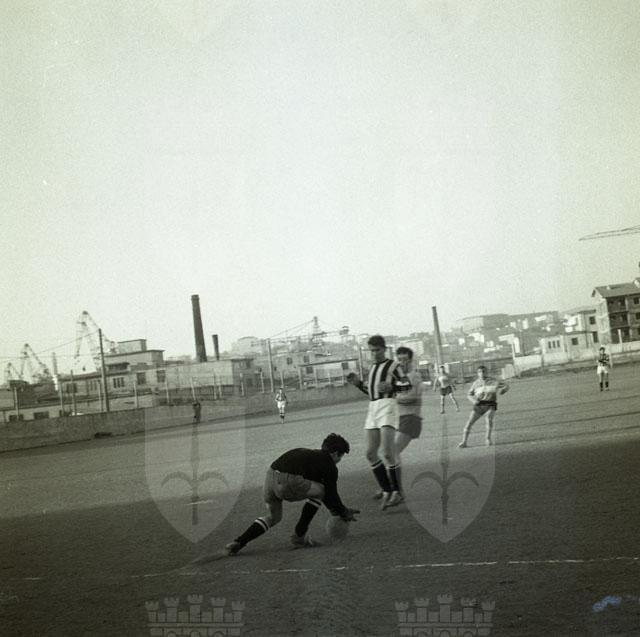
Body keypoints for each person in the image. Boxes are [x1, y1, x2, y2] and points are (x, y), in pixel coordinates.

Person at [224, 433, 359, 555]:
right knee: (321, 491)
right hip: (287, 481)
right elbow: (330, 493)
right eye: (340, 456)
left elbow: (323, 493)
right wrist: (343, 512)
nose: (339, 461)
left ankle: (239, 542)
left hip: (270, 478)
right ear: (335, 454)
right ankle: (299, 536)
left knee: (274, 517)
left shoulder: (310, 455)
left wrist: (337, 509)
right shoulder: (329, 465)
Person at [346, 335, 411, 510]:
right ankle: (387, 489)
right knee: (370, 453)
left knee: (387, 453)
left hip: (388, 405)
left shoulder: (393, 366)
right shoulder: (372, 368)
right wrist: (358, 384)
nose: (374, 353)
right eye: (371, 350)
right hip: (373, 407)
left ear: (384, 349)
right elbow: (372, 392)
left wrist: (393, 387)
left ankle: (397, 492)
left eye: (377, 350)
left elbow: (407, 385)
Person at [458, 365, 509, 448]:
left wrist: (504, 390)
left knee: (489, 419)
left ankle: (488, 439)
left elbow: (506, 385)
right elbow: (469, 394)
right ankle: (464, 442)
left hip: (491, 403)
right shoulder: (476, 384)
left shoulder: (494, 381)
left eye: (483, 371)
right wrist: (474, 401)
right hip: (480, 404)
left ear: (487, 372)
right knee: (469, 423)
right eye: (480, 372)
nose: (482, 373)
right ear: (477, 373)